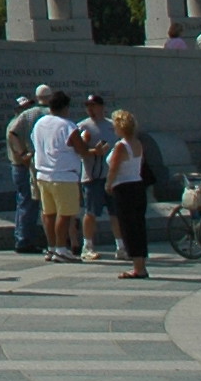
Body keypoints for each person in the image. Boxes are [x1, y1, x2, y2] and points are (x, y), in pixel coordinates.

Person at [30, 88, 85, 262]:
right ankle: (61, 248)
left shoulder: (39, 123)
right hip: (64, 174)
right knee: (65, 213)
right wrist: (95, 150)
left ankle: (52, 247)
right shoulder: (67, 125)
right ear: (65, 107)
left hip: (43, 174)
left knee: (49, 213)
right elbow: (81, 148)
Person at [106, 109, 154, 278]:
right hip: (138, 186)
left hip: (123, 187)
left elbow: (114, 167)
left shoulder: (121, 145)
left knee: (128, 227)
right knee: (138, 226)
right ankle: (141, 264)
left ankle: (138, 267)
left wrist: (108, 183)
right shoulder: (137, 143)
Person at [4, 88, 51, 255]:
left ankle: (22, 237)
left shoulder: (26, 120)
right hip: (21, 167)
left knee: (25, 202)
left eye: (29, 105)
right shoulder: (16, 122)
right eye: (23, 106)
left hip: (22, 166)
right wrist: (23, 154)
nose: (27, 108)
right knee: (28, 203)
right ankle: (24, 240)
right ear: (17, 109)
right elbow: (12, 134)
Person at [73, 94, 118, 262]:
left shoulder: (112, 126)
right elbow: (77, 149)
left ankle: (120, 246)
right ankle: (88, 245)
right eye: (88, 106)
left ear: (101, 107)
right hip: (92, 176)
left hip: (111, 175)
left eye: (94, 106)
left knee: (115, 212)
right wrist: (93, 151)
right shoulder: (82, 126)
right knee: (91, 212)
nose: (91, 110)